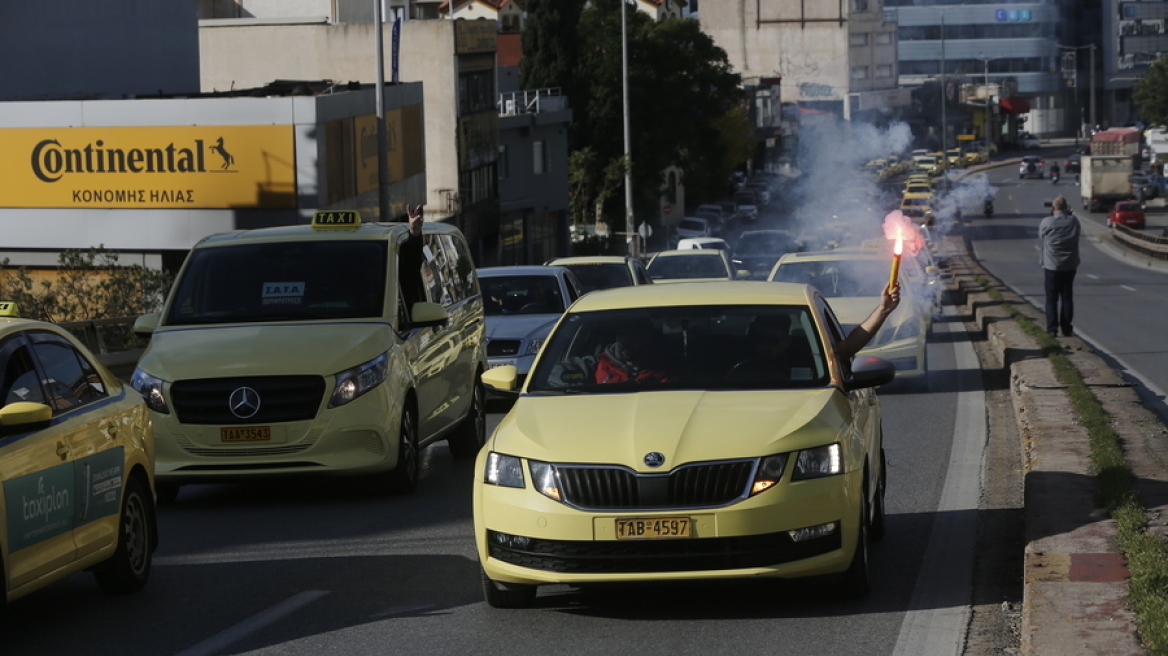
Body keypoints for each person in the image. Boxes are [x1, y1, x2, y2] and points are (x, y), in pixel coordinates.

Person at [1038, 196, 1081, 337]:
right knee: (1067, 297)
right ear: (1066, 207)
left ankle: (1052, 328)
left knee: (1051, 298)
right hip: (1069, 265)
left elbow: (1041, 236)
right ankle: (1067, 328)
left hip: (1052, 265)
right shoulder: (1073, 221)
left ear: (1054, 208)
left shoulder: (1047, 222)